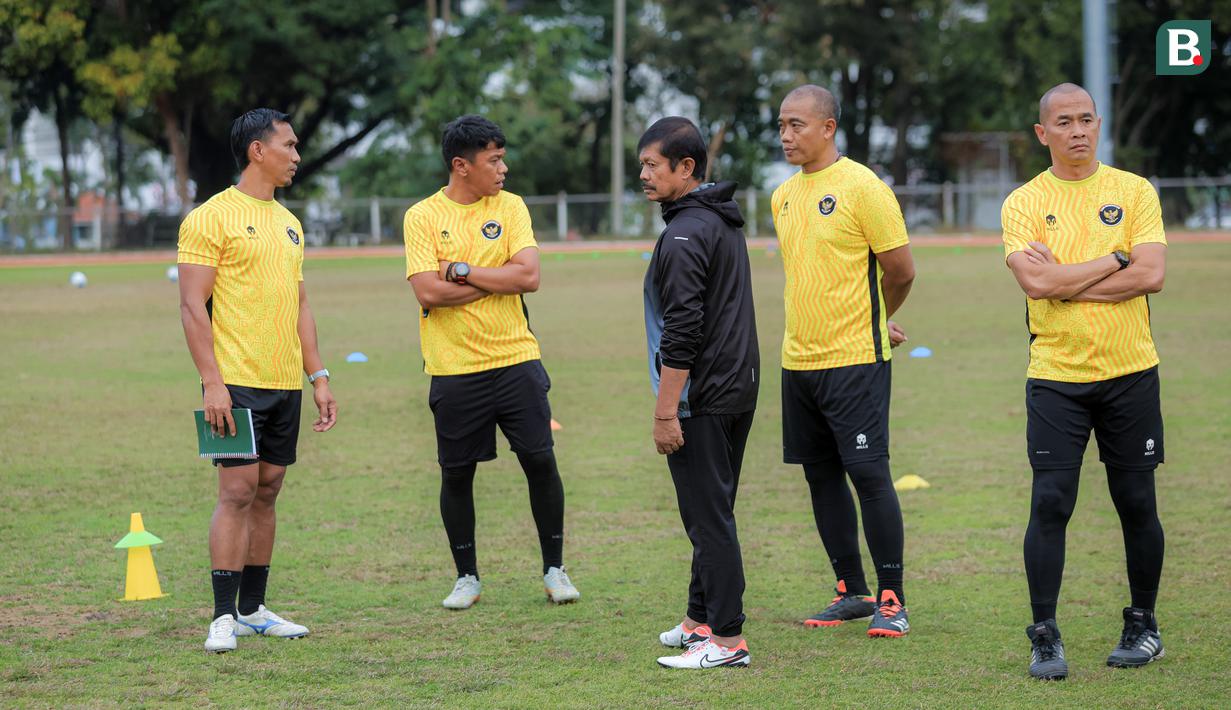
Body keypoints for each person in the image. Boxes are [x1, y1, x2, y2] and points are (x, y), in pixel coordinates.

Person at [1001, 83, 1168, 681]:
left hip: (1130, 371)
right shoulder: (1023, 202)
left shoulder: (1134, 191)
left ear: (1099, 125)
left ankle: (1143, 625)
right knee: (1050, 502)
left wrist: (1069, 278)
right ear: (1043, 133)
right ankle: (1044, 635)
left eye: (1086, 120)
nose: (1077, 130)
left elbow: (1153, 274)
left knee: (1136, 502)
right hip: (1056, 375)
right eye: (1064, 122)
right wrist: (1113, 260)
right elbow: (1037, 286)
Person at [178, 108, 338, 654]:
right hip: (232, 382)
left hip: (282, 383)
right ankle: (222, 617)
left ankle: (253, 609)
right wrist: (211, 382)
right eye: (289, 146)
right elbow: (192, 307)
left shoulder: (289, 223)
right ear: (257, 151)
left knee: (268, 490)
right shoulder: (210, 218)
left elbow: (300, 303)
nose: (297, 155)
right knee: (237, 490)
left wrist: (316, 374)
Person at [403, 114, 579, 610]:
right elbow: (427, 292)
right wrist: (492, 278)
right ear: (462, 165)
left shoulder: (512, 207)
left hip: (516, 359)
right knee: (456, 474)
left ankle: (554, 569)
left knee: (541, 461)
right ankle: (467, 577)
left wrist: (459, 271)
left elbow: (529, 277)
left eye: (503, 158)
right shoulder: (421, 217)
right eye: (493, 160)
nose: (503, 169)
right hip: (453, 367)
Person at [771, 85, 916, 638]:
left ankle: (892, 597)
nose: (786, 135)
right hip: (798, 360)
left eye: (797, 124)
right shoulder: (781, 196)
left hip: (855, 359)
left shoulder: (863, 187)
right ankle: (850, 591)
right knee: (820, 477)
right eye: (781, 125)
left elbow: (900, 270)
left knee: (868, 474)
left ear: (828, 128)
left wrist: (876, 318)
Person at [637, 118, 759, 669]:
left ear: (686, 168)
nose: (643, 174)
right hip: (738, 388)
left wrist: (667, 409)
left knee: (708, 518)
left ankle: (727, 642)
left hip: (705, 396)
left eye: (652, 165)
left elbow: (683, 327)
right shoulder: (719, 221)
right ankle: (699, 619)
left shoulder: (686, 233)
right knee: (714, 511)